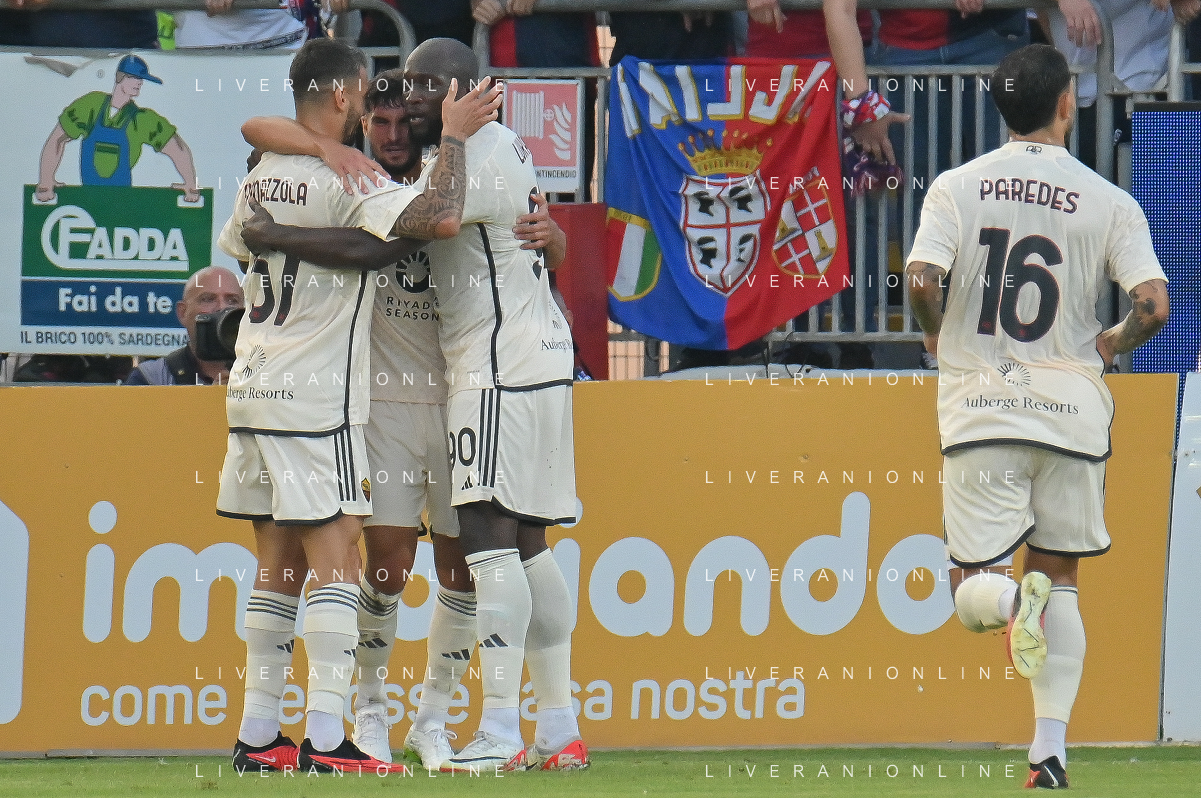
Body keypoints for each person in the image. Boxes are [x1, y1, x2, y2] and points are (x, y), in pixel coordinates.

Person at [239, 67, 566, 769]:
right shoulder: (354, 180)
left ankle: (434, 720)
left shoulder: (454, 175)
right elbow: (259, 128)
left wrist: (556, 237)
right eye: (377, 122)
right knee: (385, 566)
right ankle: (369, 711)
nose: (391, 133)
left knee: (464, 567)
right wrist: (326, 148)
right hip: (382, 403)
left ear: (425, 122)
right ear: (358, 121)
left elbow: (529, 255)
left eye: (403, 121)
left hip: (458, 394)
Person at [904, 44, 1169, 789]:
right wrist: (1108, 345)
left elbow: (921, 278)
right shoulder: (1108, 200)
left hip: (982, 408)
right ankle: (1048, 754)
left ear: (1000, 107)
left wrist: (934, 331)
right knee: (1061, 579)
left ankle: (1009, 600)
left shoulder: (955, 187)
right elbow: (1153, 305)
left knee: (971, 592)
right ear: (1064, 105)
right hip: (1071, 413)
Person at [37, 55, 200, 203]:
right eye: (134, 77)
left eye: (141, 79)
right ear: (119, 77)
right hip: (86, 200)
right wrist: (45, 182)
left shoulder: (142, 119)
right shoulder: (91, 105)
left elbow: (177, 148)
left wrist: (191, 185)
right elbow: (57, 139)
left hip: (122, 203)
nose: (139, 83)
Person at [126, 266, 244, 386]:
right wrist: (210, 396)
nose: (222, 307)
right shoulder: (152, 378)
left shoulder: (256, 372)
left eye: (232, 301)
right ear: (182, 312)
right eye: (208, 299)